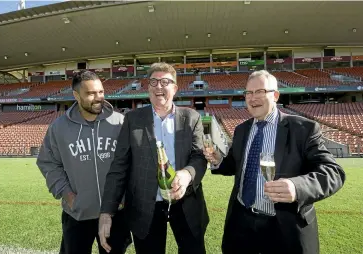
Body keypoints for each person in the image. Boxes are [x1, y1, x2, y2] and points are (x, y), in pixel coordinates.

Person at [204, 70, 345, 254]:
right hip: (241, 224)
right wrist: (217, 160)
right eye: (248, 93)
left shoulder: (303, 129)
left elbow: (333, 172)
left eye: (260, 91)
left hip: (284, 228)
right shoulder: (241, 130)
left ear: (275, 95)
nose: (253, 98)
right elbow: (235, 165)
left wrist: (296, 187)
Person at [99, 62, 209, 254]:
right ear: (148, 87)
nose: (159, 86)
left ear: (174, 88)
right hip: (145, 207)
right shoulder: (133, 119)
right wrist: (106, 212)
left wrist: (187, 174)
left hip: (186, 203)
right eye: (153, 82)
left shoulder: (191, 117)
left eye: (165, 82)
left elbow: (198, 157)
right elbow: (119, 167)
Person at [36, 70, 132, 254]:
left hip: (115, 212)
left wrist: (124, 197)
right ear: (76, 95)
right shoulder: (59, 128)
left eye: (101, 92)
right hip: (77, 213)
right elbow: (48, 163)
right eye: (90, 93)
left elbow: (132, 163)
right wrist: (68, 196)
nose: (98, 98)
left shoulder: (120, 123)